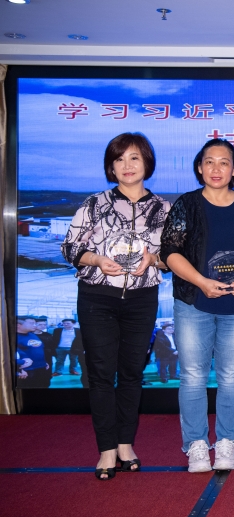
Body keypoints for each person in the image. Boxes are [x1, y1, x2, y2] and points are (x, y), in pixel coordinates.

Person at [61, 132, 170, 480]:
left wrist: (153, 259)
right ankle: (106, 448)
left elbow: (174, 258)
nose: (127, 165)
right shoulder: (94, 204)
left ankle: (126, 444)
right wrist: (96, 259)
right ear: (111, 166)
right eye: (119, 159)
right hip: (97, 297)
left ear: (147, 163)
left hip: (142, 298)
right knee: (101, 373)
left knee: (133, 373)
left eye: (134, 157)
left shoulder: (164, 209)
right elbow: (69, 247)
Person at [161, 138, 234, 473]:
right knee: (193, 375)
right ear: (199, 167)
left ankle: (226, 441)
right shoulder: (187, 204)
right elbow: (170, 252)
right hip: (194, 302)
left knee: (231, 376)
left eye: (224, 162)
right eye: (209, 161)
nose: (216, 168)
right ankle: (195, 444)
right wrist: (201, 282)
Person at [16, 316, 51, 388]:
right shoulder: (13, 337)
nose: (35, 325)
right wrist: (18, 370)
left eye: (35, 323)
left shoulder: (32, 335)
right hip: (26, 371)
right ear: (18, 325)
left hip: (41, 368)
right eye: (31, 323)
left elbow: (38, 349)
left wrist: (44, 362)